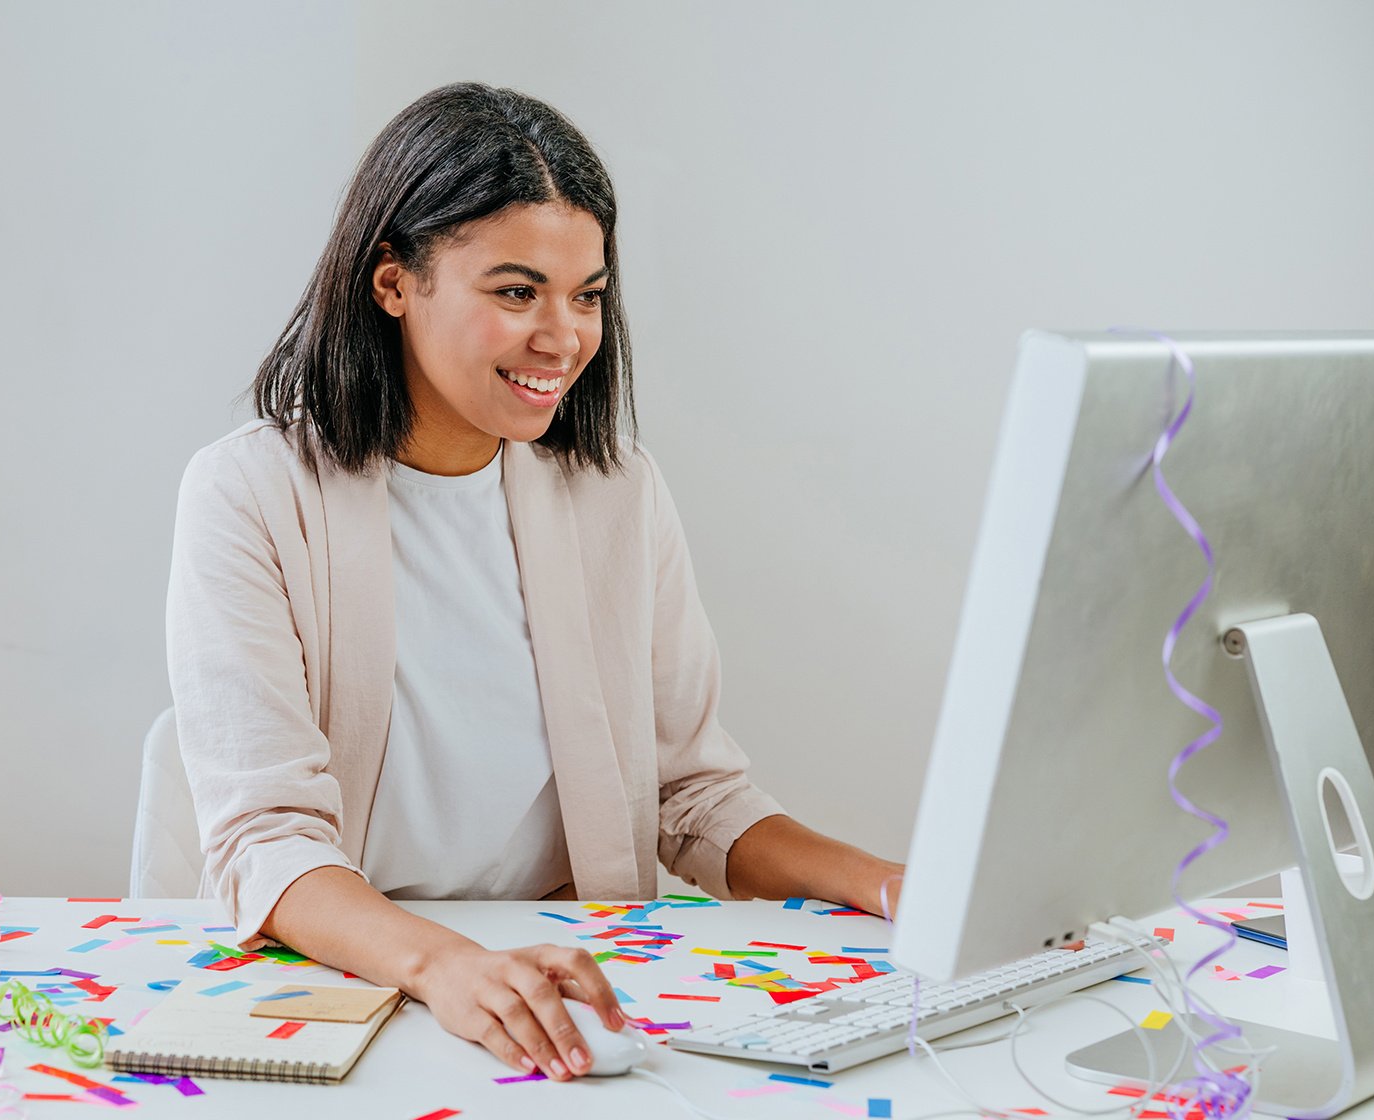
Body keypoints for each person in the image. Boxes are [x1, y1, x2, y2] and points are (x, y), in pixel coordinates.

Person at [166, 82, 902, 1083]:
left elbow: (693, 796)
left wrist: (897, 884)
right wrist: (451, 967)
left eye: (587, 295)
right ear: (394, 283)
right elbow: (266, 839)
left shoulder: (616, 491)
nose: (564, 337)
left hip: (557, 986)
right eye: (517, 292)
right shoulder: (249, 492)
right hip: (355, 983)